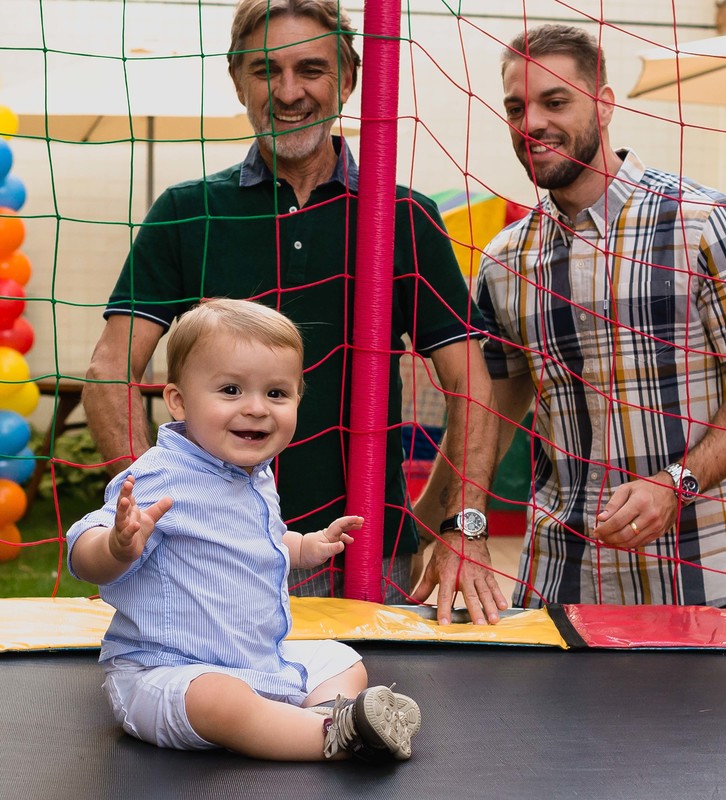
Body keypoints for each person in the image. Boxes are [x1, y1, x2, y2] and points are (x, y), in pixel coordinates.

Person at [81, 0, 507, 624]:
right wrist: (153, 514)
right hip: (211, 561)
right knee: (207, 717)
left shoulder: (405, 218)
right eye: (264, 71)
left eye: (310, 69)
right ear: (237, 82)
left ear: (349, 78)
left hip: (364, 558)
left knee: (357, 717)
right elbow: (109, 372)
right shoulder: (187, 212)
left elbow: (472, 385)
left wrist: (461, 526)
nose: (288, 92)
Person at [475, 25, 726, 608]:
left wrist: (679, 484)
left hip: (699, 573)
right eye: (516, 107)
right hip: (558, 577)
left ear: (604, 105)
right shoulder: (504, 261)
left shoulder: (703, 220)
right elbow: (493, 409)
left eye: (556, 102)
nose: (533, 124)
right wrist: (455, 519)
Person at [67, 299, 422, 759]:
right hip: (166, 673)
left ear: (298, 398)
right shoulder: (161, 475)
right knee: (220, 700)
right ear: (178, 400)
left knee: (342, 659)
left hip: (256, 663)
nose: (256, 409)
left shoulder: (257, 476)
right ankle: (334, 738)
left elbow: (260, 543)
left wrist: (305, 546)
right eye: (231, 390)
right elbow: (81, 547)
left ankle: (322, 720)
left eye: (276, 393)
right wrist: (117, 547)